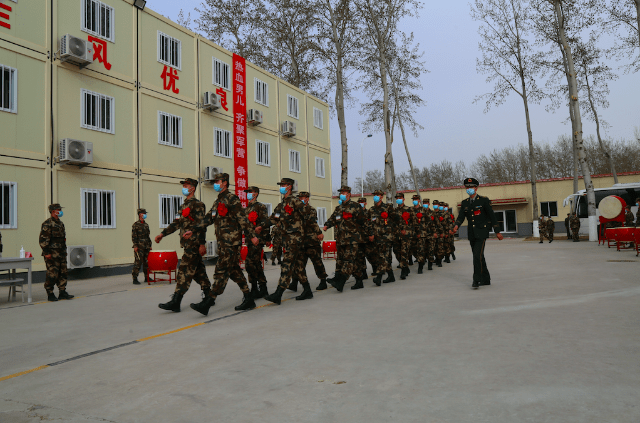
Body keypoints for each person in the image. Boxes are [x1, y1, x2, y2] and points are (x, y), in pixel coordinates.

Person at [188, 173, 260, 315]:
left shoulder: (232, 199)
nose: (215, 183)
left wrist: (251, 236)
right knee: (234, 271)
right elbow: (208, 218)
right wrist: (193, 229)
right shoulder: (218, 201)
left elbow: (242, 218)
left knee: (220, 271)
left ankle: (208, 302)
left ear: (225, 183)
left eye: (217, 181)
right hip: (223, 243)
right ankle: (249, 298)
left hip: (231, 243)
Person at [156, 178, 210, 313]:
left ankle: (176, 301)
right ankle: (210, 297)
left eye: (186, 185)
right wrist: (162, 234)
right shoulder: (183, 206)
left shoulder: (198, 205)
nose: (184, 187)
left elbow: (202, 226)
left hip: (194, 243)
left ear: (193, 188)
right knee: (199, 273)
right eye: (183, 185)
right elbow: (176, 223)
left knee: (184, 271)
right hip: (187, 244)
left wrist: (202, 244)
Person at [265, 178, 317, 304]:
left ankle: (278, 293)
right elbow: (273, 219)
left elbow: (308, 216)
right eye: (281, 185)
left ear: (289, 186)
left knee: (286, 264)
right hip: (286, 239)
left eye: (283, 185)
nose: (281, 187)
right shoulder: (281, 204)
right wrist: (260, 225)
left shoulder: (295, 201)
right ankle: (307, 290)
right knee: (298, 266)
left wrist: (317, 232)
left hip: (295, 238)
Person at [452, 178, 504, 289]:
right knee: (479, 256)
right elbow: (461, 217)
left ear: (476, 188)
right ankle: (486, 279)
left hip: (482, 232)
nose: (469, 189)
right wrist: (456, 226)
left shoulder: (484, 201)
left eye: (471, 187)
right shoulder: (465, 203)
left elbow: (492, 216)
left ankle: (476, 280)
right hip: (471, 234)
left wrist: (497, 231)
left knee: (476, 255)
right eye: (467, 187)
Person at [323, 186, 369, 291]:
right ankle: (359, 281)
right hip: (341, 239)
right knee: (346, 260)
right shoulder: (338, 208)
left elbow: (364, 222)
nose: (342, 194)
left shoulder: (355, 206)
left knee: (348, 260)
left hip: (353, 239)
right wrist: (326, 225)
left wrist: (369, 234)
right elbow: (332, 219)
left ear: (349, 194)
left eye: (344, 192)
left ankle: (341, 282)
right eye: (341, 192)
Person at [292, 191, 327, 291]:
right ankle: (294, 283)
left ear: (307, 199)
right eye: (299, 197)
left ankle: (323, 281)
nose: (301, 199)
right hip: (301, 242)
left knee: (317, 262)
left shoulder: (310, 210)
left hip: (312, 242)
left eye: (303, 197)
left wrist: (319, 232)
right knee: (298, 264)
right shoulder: (296, 210)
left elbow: (311, 222)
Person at [39, 204, 74, 301]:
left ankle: (62, 292)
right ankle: (50, 293)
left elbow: (63, 239)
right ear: (53, 211)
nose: (60, 212)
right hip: (52, 254)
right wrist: (46, 252)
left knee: (63, 273)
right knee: (52, 274)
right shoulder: (47, 224)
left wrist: (64, 251)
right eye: (58, 210)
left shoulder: (61, 224)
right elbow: (43, 240)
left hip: (61, 253)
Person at [243, 186, 272, 299]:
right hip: (250, 240)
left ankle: (258, 288)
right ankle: (259, 288)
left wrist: (267, 238)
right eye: (247, 192)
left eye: (250, 192)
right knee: (254, 265)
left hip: (257, 240)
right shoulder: (246, 209)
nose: (248, 194)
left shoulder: (260, 207)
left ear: (255, 194)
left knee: (251, 264)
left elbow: (265, 223)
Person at [368, 190, 397, 285]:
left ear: (381, 197)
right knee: (385, 257)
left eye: (377, 195)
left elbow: (396, 219)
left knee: (382, 256)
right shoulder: (371, 210)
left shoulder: (388, 208)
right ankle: (391, 276)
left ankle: (378, 277)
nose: (375, 196)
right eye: (374, 195)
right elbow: (368, 223)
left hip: (386, 237)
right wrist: (370, 234)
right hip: (376, 237)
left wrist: (391, 230)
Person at [390, 192, 417, 280]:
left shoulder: (409, 210)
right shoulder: (394, 211)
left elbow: (414, 223)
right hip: (396, 235)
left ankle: (403, 271)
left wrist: (410, 232)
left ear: (403, 199)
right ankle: (406, 268)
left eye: (400, 197)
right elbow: (392, 223)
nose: (398, 199)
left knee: (404, 252)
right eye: (397, 198)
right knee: (397, 252)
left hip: (406, 236)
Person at [131, 208, 151, 285]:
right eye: (144, 213)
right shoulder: (135, 225)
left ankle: (147, 277)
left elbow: (148, 236)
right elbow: (134, 236)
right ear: (140, 214)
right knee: (138, 263)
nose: (145, 214)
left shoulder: (146, 225)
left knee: (147, 262)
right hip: (139, 247)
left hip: (146, 246)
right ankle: (135, 278)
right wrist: (135, 246)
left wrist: (150, 245)